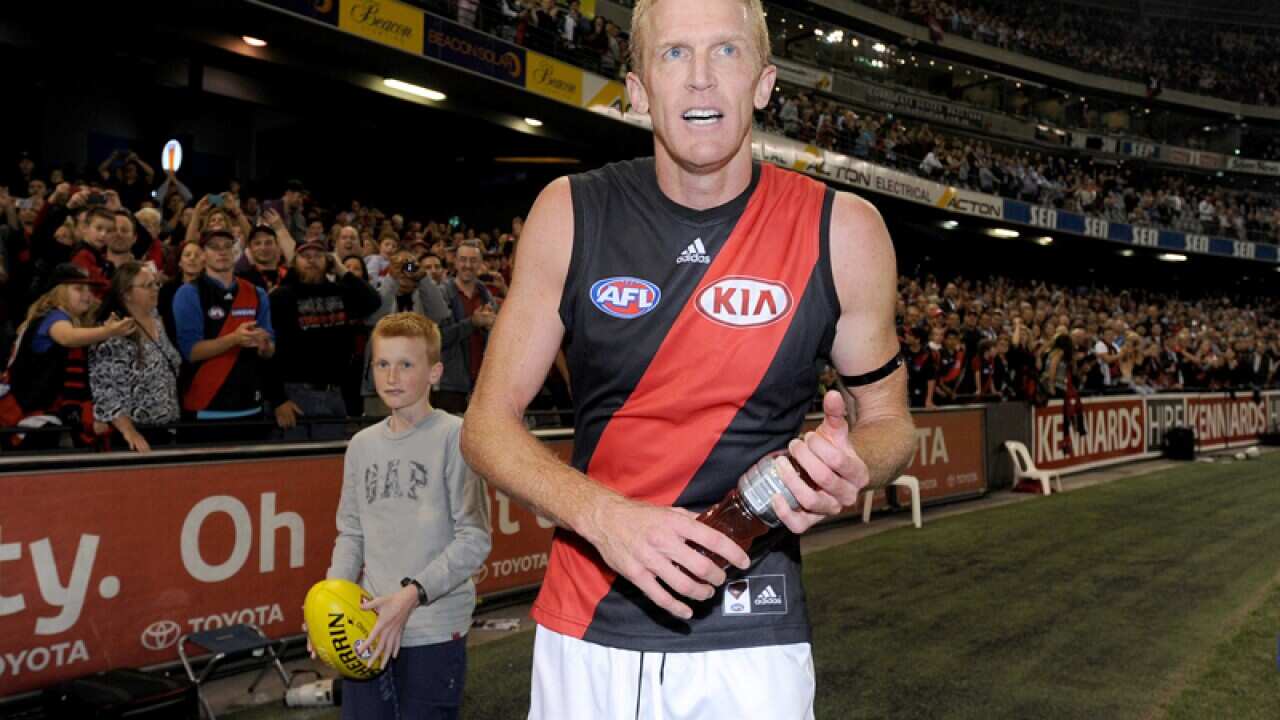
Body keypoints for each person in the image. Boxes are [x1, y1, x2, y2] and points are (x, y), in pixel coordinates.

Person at [460, 1, 915, 717]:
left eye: (726, 51)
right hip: (587, 627)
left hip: (754, 636)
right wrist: (606, 518)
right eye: (674, 54)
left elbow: (890, 421)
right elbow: (486, 426)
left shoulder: (844, 230)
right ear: (638, 90)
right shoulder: (571, 212)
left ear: (763, 84)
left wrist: (855, 464)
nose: (701, 77)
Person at [319, 312, 491, 719]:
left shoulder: (455, 437)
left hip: (433, 627)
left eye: (406, 364)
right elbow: (352, 533)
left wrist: (411, 595)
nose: (392, 376)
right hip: (367, 625)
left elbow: (474, 538)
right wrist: (330, 604)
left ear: (435, 372)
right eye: (382, 363)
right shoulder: (361, 445)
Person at [0, 264, 134, 449]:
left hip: (43, 413)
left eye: (89, 290)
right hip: (27, 416)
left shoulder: (63, 319)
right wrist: (107, 331)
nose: (87, 295)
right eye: (79, 289)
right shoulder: (53, 317)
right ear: (59, 292)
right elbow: (67, 337)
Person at [267, 241, 380, 440]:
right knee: (293, 456)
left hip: (334, 393)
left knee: (329, 456)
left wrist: (341, 269)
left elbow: (373, 301)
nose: (312, 260)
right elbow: (266, 352)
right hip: (294, 394)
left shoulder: (340, 292)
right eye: (305, 256)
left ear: (328, 260)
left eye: (318, 256)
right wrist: (278, 400)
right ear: (294, 262)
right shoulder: (281, 296)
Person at [172, 229, 275, 443]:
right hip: (206, 407)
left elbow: (270, 350)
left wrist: (264, 343)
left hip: (251, 406)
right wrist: (234, 339)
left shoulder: (257, 293)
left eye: (227, 246)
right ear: (203, 254)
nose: (222, 252)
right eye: (214, 247)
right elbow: (191, 352)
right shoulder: (189, 293)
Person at [89, 262, 181, 452]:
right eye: (147, 285)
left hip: (168, 427)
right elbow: (106, 390)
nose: (155, 289)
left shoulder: (157, 318)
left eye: (156, 283)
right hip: (135, 435)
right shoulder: (114, 331)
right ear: (126, 293)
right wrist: (129, 431)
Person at [435, 240, 496, 414]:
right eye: (463, 259)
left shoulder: (486, 296)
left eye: (473, 260)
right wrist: (473, 323)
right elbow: (437, 339)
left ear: (480, 263)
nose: (467, 265)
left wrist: (492, 327)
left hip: (482, 385)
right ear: (455, 262)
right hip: (450, 386)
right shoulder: (441, 294)